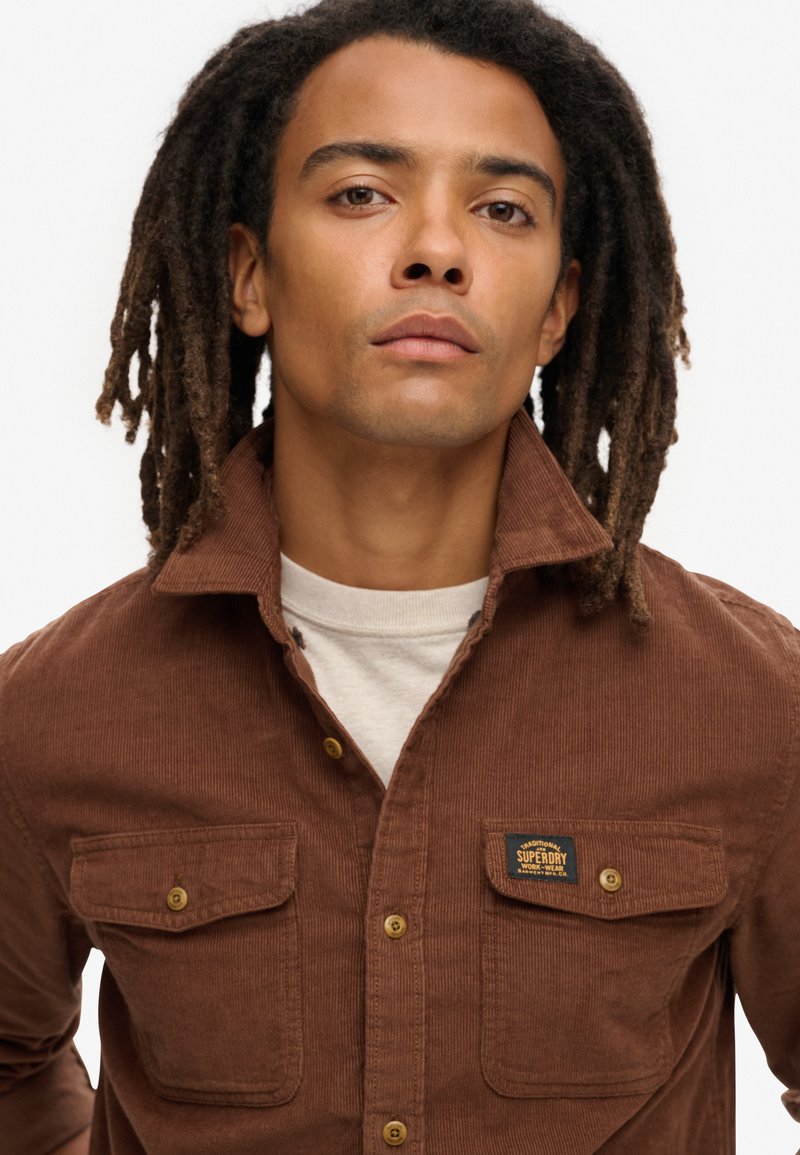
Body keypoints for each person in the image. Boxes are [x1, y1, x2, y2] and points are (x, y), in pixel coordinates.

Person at [1, 0, 797, 1151]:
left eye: (501, 208)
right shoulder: (48, 717)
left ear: (556, 312)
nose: (435, 249)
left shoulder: (754, 705)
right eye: (361, 194)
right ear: (248, 276)